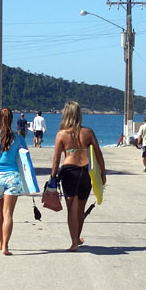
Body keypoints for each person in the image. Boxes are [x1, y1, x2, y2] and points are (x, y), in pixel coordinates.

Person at [50, 101, 106, 252]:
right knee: (80, 208)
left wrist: (52, 177)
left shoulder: (61, 134)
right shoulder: (88, 132)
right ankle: (77, 237)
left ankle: (74, 243)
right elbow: (99, 154)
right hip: (86, 172)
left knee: (71, 209)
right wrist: (103, 173)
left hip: (69, 171)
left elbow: (56, 160)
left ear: (65, 115)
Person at [0, 107, 28, 256]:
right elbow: (25, 158)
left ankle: (0, 241)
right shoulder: (19, 139)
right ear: (12, 120)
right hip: (13, 177)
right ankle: (5, 247)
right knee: (8, 213)